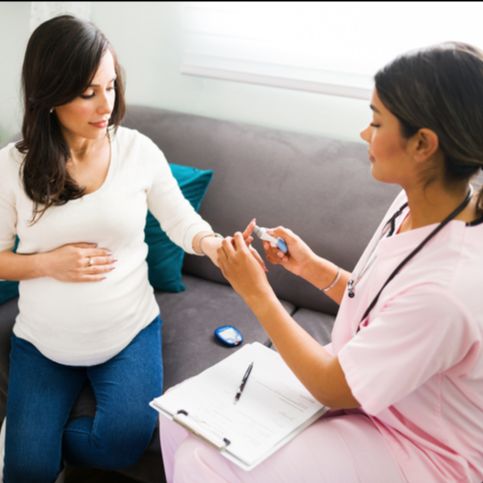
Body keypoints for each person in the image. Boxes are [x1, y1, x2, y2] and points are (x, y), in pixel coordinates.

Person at [159, 41, 483, 482]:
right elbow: (383, 303)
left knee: (204, 460)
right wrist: (311, 267)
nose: (364, 134)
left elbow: (334, 388)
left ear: (423, 144)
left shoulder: (449, 289)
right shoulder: (415, 204)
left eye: (376, 121)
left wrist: (255, 291)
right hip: (372, 389)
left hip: (418, 447)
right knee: (179, 413)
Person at [0, 14, 226, 483]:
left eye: (111, 86)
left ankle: (37, 440)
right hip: (43, 343)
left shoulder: (137, 151)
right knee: (26, 474)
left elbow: (181, 220)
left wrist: (214, 244)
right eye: (88, 92)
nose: (107, 105)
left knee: (119, 446)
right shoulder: (11, 167)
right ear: (50, 95)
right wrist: (46, 263)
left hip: (128, 333)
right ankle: (30, 447)